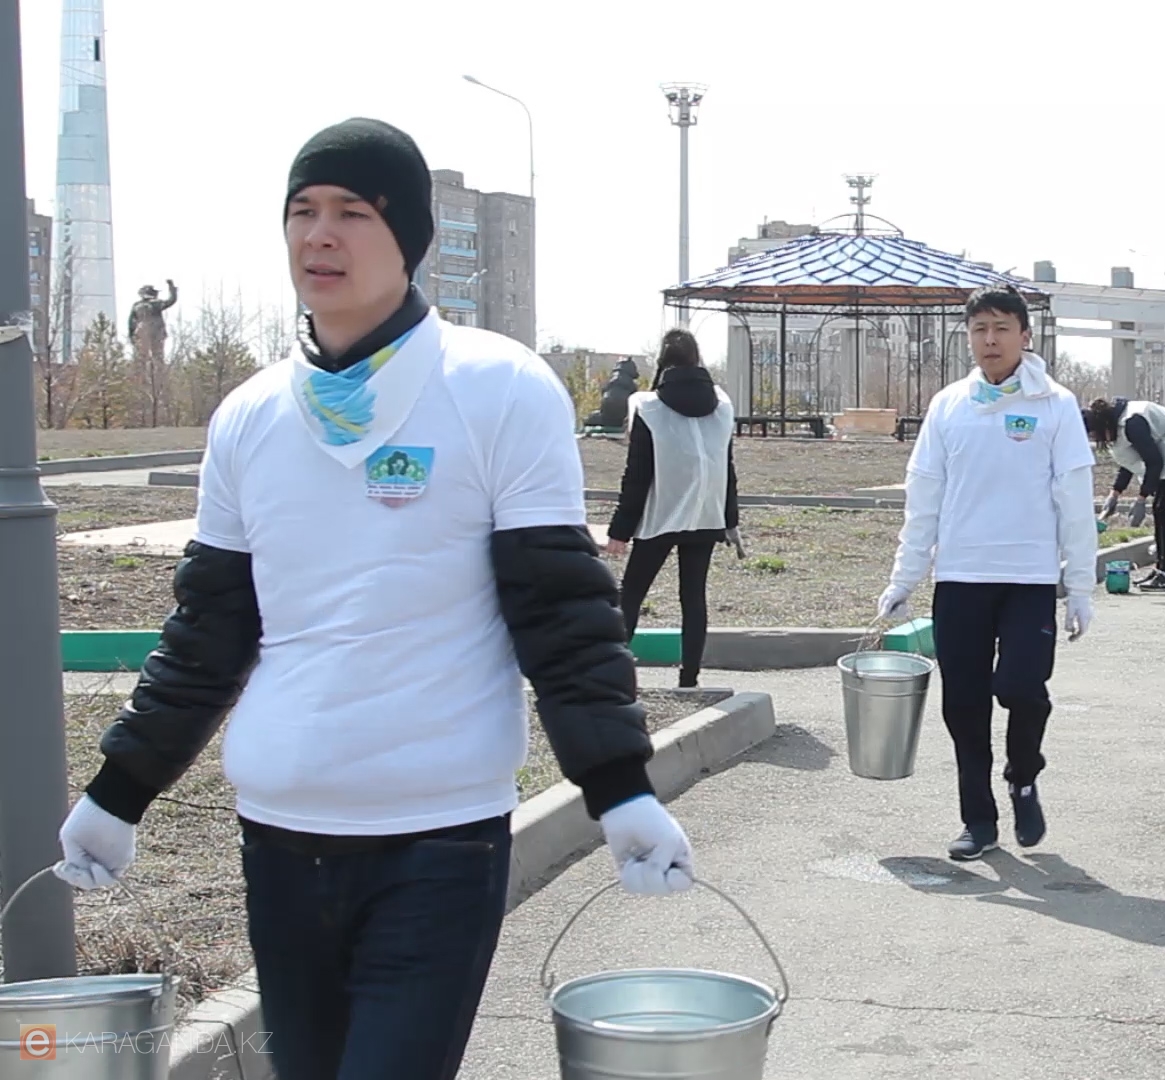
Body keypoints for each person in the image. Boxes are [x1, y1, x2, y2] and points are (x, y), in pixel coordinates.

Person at [51, 118, 693, 1080]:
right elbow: (209, 631)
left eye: (353, 212)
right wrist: (119, 792)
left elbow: (561, 615)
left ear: (412, 238)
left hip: (439, 837)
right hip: (278, 834)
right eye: (302, 211)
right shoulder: (249, 416)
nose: (321, 234)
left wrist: (619, 787)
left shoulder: (497, 389)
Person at [878, 285, 1099, 860]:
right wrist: (905, 577)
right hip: (961, 577)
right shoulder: (949, 405)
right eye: (980, 329)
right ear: (969, 337)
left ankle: (1023, 775)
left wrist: (1080, 585)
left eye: (1002, 328)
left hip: (1028, 579)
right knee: (964, 704)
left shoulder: (1055, 405)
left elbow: (1075, 501)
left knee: (1021, 687)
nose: (990, 340)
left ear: (1025, 335)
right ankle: (978, 819)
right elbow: (924, 498)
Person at [604, 328, 741, 690]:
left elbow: (637, 475)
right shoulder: (722, 405)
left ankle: (611, 676)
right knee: (693, 597)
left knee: (631, 594)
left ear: (663, 361)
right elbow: (726, 467)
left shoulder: (647, 406)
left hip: (660, 515)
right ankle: (689, 680)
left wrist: (619, 531)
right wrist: (730, 520)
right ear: (697, 359)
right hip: (707, 515)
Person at [1083, 395, 1165, 591]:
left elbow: (1154, 462)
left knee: (1164, 511)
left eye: (1093, 434)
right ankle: (1161, 570)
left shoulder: (1133, 422)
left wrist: (1141, 499)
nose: (1094, 439)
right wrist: (1114, 494)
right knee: (1161, 511)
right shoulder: (1119, 423)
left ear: (1101, 425)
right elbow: (1128, 462)